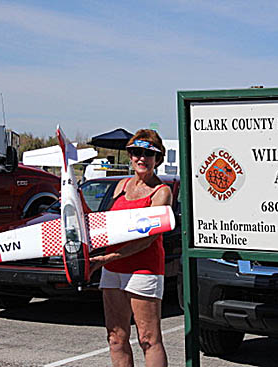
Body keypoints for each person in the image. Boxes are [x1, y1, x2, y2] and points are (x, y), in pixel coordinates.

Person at [89, 129, 172, 367]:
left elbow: (146, 240)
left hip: (144, 270)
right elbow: (104, 224)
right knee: (116, 338)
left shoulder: (161, 192)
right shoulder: (121, 186)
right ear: (129, 155)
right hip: (113, 269)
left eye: (148, 153)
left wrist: (106, 258)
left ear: (158, 158)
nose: (141, 158)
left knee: (148, 339)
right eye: (136, 152)